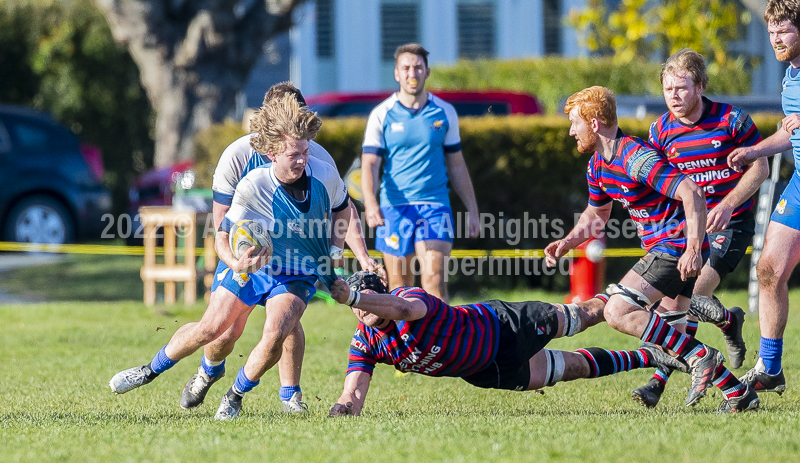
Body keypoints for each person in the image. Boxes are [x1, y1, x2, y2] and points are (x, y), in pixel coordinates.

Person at [110, 94, 353, 421]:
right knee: (213, 330)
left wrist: (335, 254)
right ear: (272, 154)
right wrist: (237, 262)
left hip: (299, 268)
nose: (302, 161)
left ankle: (237, 395)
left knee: (278, 331)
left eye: (305, 152)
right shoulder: (252, 182)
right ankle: (149, 371)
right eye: (294, 154)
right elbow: (222, 233)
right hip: (251, 264)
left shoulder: (322, 171)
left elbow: (343, 211)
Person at [544, 86, 758, 413]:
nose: (572, 130)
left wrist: (692, 250)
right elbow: (596, 215)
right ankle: (738, 393)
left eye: (575, 122)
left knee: (618, 310)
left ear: (595, 123)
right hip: (668, 248)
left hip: (675, 246)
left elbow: (692, 193)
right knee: (670, 332)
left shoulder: (635, 158)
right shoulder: (598, 167)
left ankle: (702, 355)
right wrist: (568, 241)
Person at [173, 82, 378, 414]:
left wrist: (351, 255)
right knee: (223, 333)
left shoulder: (314, 156)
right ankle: (207, 372)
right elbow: (222, 221)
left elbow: (344, 208)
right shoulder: (238, 155)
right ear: (266, 120)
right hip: (248, 255)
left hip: (294, 257)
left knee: (285, 321)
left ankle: (290, 396)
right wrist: (238, 258)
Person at [327, 271, 686, 416]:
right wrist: (341, 411)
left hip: (505, 325)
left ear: (378, 296)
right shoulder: (367, 342)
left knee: (588, 315)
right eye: (356, 308)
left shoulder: (408, 297)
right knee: (573, 369)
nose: (362, 312)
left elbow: (404, 309)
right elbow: (353, 394)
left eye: (365, 302)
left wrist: (354, 296)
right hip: (487, 371)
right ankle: (650, 356)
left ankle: (637, 295)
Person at [632, 49, 770, 407]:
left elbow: (761, 169)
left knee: (687, 300)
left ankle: (658, 382)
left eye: (681, 88)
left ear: (700, 87)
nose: (674, 96)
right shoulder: (660, 130)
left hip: (731, 223)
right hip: (687, 230)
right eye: (668, 89)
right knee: (671, 305)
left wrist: (727, 205)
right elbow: (657, 183)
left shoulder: (732, 120)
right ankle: (727, 320)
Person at [360, 43, 480, 303]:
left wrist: (472, 210)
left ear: (427, 72)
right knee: (399, 287)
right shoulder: (382, 114)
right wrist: (370, 203)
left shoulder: (444, 112)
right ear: (396, 73)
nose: (411, 73)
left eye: (417, 67)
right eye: (406, 68)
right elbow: (369, 164)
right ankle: (405, 343)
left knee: (434, 280)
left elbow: (457, 165)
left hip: (435, 206)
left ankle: (442, 342)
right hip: (395, 208)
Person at [726, 0, 800, 396]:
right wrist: (756, 151)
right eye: (771, 32)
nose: (775, 39)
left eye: (783, 30)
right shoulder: (790, 75)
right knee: (769, 268)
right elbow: (792, 131)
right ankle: (770, 368)